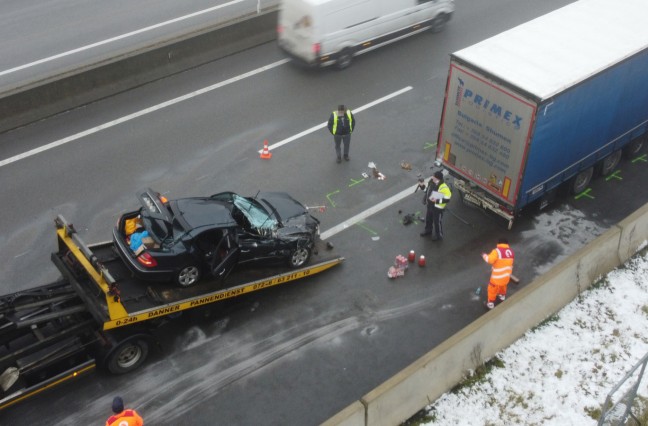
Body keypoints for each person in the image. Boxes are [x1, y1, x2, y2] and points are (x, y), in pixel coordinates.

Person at [482, 238, 515, 310]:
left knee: (492, 289)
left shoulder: (497, 251)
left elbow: (490, 260)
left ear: (499, 243)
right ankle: (502, 296)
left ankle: (490, 304)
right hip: (506, 276)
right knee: (503, 286)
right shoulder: (511, 252)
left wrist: (484, 255)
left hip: (497, 277)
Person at [420, 171, 451, 240]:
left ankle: (439, 235)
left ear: (437, 178)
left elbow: (447, 199)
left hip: (437, 208)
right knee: (428, 219)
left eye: (433, 176)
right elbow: (427, 191)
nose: (432, 177)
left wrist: (437, 201)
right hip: (430, 205)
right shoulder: (431, 182)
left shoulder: (444, 187)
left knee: (437, 222)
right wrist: (422, 186)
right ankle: (428, 230)